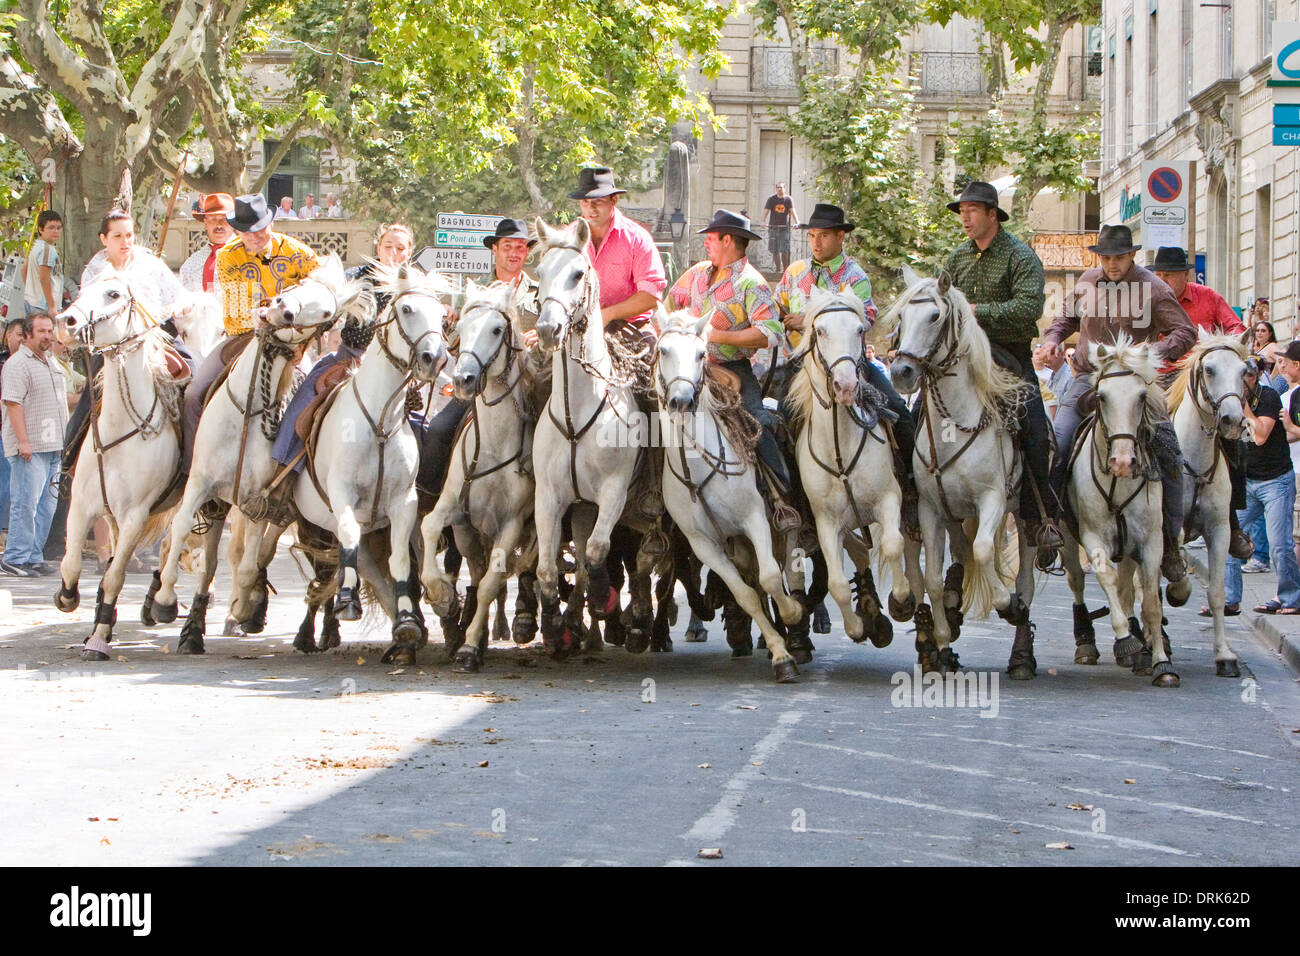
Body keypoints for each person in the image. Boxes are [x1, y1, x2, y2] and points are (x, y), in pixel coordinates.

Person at [1042, 223, 1198, 594]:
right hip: (1087, 379)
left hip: (1135, 383)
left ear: (1131, 255)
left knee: (1169, 452)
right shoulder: (1086, 282)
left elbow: (1185, 331)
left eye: (1118, 256)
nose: (1111, 264)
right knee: (1058, 445)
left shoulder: (1154, 288)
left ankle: (1171, 545)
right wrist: (1051, 338)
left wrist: (1150, 356)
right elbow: (1065, 320)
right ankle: (1049, 527)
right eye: (1106, 257)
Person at [942, 180, 1062, 565]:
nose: (965, 216)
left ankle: (1038, 518)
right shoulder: (956, 259)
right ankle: (916, 499)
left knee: (1036, 431)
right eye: (962, 210)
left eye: (972, 210)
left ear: (993, 214)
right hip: (960, 358)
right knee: (917, 417)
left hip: (1006, 356)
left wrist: (979, 312)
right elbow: (940, 303)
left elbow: (1028, 308)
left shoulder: (1020, 256)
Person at [772, 201, 915, 517]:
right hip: (801, 366)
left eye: (824, 235)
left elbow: (867, 315)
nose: (817, 242)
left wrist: (806, 318)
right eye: (812, 236)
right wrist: (783, 319)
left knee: (899, 411)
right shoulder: (794, 272)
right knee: (780, 423)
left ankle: (911, 489)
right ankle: (794, 502)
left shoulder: (855, 276)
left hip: (851, 364)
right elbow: (775, 309)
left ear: (841, 238)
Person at [666, 209, 799, 529]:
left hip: (732, 368)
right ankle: (657, 497)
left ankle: (783, 499)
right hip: (687, 367)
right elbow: (670, 305)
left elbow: (770, 333)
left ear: (728, 240)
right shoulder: (696, 273)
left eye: (711, 238)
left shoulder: (752, 283)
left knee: (761, 420)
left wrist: (716, 335)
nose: (706, 244)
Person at [181, 193, 320, 473]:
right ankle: (193, 469)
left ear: (270, 223)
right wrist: (265, 317)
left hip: (296, 340)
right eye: (247, 232)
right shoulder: (229, 256)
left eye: (260, 229)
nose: (255, 237)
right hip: (245, 337)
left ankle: (296, 469)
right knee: (194, 394)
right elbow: (235, 315)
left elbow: (320, 302)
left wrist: (302, 341)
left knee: (311, 393)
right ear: (239, 232)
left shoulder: (301, 255)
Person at [271, 223, 413, 476]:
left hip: (398, 369)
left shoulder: (413, 285)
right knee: (304, 400)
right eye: (388, 246)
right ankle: (282, 474)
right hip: (349, 359)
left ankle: (423, 491)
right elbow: (327, 309)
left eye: (400, 248)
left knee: (423, 423)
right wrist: (302, 344)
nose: (393, 252)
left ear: (409, 252)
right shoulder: (356, 276)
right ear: (378, 247)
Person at [418, 218, 541, 495]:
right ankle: (430, 497)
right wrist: (451, 321)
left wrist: (540, 338)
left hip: (530, 383)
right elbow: (454, 344)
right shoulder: (476, 292)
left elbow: (554, 335)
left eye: (520, 247)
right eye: (507, 246)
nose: (514, 253)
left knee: (559, 434)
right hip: (481, 385)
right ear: (495, 250)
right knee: (439, 428)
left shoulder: (539, 293)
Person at [1220, 360, 1300, 615]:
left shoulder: (1269, 396)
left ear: (1257, 377)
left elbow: (1260, 435)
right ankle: (1230, 600)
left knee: (1280, 544)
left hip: (1276, 481)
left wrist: (1243, 406)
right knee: (1230, 538)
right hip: (1248, 482)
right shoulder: (1229, 399)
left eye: (1248, 376)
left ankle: (1291, 599)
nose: (1243, 382)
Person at [1, 313, 67, 576]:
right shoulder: (18, 364)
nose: (48, 336)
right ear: (27, 334)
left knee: (47, 505)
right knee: (26, 502)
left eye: (50, 331)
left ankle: (33, 555)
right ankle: (16, 557)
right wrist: (23, 441)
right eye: (41, 331)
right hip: (30, 446)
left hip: (54, 445)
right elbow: (13, 403)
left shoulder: (51, 362)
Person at [568, 166, 666, 345]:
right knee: (544, 364)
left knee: (654, 356)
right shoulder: (568, 237)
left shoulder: (637, 238)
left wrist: (609, 313)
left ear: (614, 200)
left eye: (598, 201)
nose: (591, 208)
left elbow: (651, 295)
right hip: (578, 324)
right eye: (585, 202)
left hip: (631, 326)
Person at [1150, 247, 1244, 335]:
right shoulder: (1147, 299)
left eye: (1168, 275)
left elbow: (1237, 329)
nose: (1161, 281)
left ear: (1185, 274)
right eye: (1157, 275)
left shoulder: (1207, 296)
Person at [179, 193, 236, 294]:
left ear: (233, 223)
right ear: (205, 223)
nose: (219, 225)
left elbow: (251, 301)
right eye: (213, 219)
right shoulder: (191, 264)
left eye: (224, 219)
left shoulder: (246, 257)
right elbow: (183, 301)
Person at [22, 211, 63, 318]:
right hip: (43, 307)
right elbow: (44, 278)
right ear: (41, 229)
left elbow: (23, 269)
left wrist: (32, 291)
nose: (55, 231)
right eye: (51, 227)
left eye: (59, 228)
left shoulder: (36, 246)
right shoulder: (47, 249)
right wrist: (52, 306)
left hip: (31, 301)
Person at [762, 183, 799, 274]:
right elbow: (766, 210)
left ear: (784, 189)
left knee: (784, 250)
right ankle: (778, 269)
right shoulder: (771, 199)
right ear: (776, 189)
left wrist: (797, 222)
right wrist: (763, 221)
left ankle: (785, 270)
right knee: (774, 250)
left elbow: (792, 211)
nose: (779, 189)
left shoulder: (788, 199)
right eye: (778, 187)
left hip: (784, 229)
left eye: (781, 187)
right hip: (773, 228)